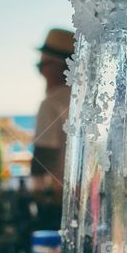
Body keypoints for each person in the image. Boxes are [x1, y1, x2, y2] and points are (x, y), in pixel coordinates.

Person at [30, 28, 74, 190]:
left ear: (55, 66)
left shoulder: (51, 104)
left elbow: (41, 168)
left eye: (42, 64)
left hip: (60, 196)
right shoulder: (83, 102)